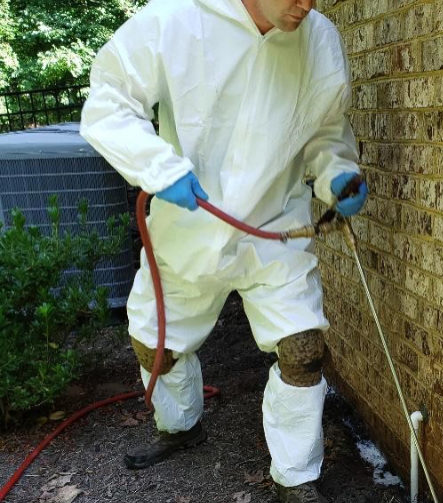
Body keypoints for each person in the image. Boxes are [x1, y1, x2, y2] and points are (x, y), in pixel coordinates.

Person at [80, 0, 367, 501]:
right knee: (154, 346)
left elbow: (325, 132)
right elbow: (108, 100)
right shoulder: (174, 19)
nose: (309, 4)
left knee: (303, 350)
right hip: (186, 227)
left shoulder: (319, 39)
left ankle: (296, 478)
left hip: (274, 229)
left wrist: (335, 172)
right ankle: (180, 425)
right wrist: (158, 168)